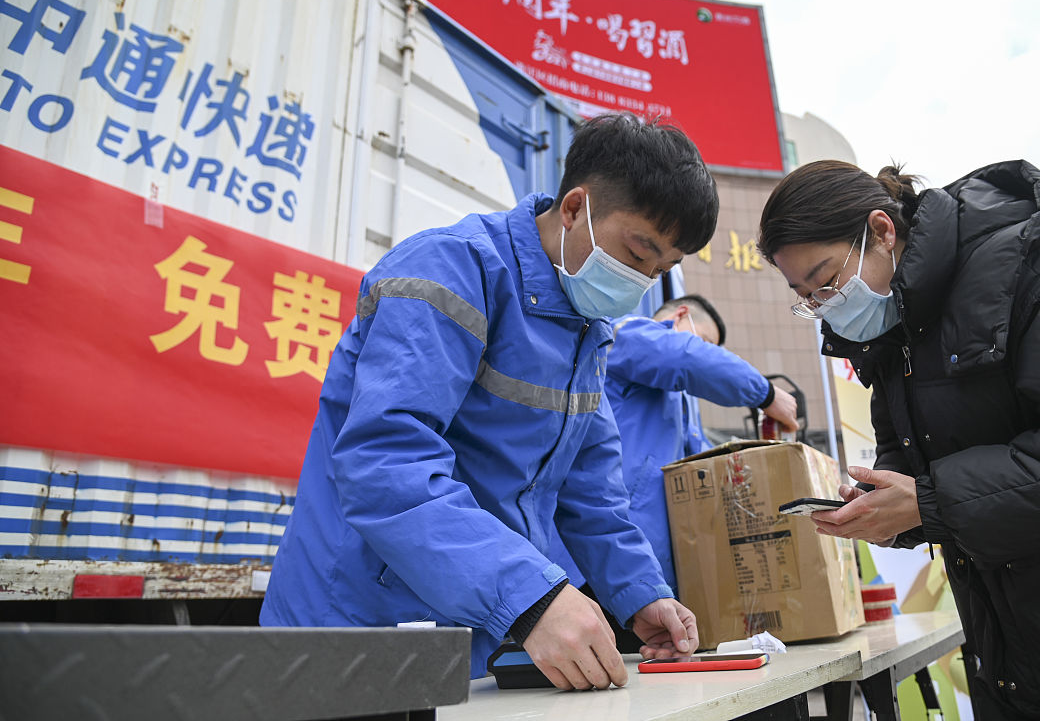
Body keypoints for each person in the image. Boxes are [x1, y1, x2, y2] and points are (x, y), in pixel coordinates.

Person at [261, 113, 717, 691]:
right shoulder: (448, 270)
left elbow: (590, 492)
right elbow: (387, 462)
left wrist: (640, 594)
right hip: (354, 620)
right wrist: (532, 598)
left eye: (660, 269)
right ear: (575, 208)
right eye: (636, 252)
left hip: (469, 625)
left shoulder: (587, 328)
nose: (640, 280)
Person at [756, 159, 1040, 720]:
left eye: (826, 281)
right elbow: (922, 469)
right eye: (808, 298)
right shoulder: (895, 336)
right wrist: (886, 509)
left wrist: (930, 502)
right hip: (1016, 662)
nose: (826, 305)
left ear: (882, 231)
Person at [604, 294, 799, 595]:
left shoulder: (672, 400)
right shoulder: (628, 332)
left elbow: (702, 459)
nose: (707, 352)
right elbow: (687, 356)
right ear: (681, 314)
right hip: (609, 541)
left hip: (642, 556)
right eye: (706, 341)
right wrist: (767, 394)